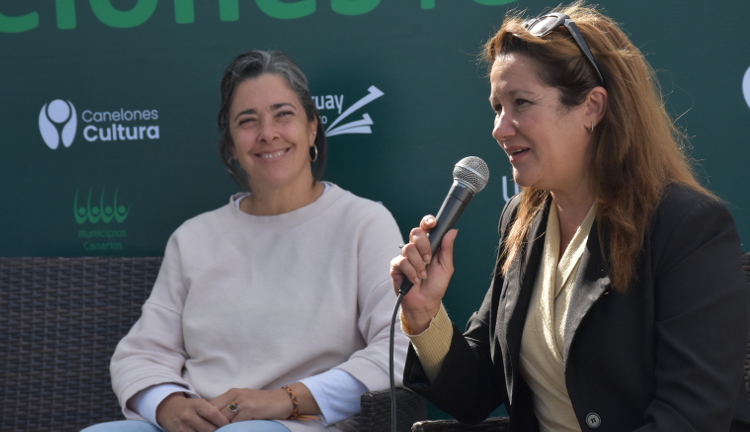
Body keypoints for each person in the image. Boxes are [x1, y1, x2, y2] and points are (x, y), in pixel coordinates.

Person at [390, 2, 750, 431]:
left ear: (592, 108)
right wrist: (425, 315)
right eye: (497, 107)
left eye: (521, 102)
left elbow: (691, 417)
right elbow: (475, 395)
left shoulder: (687, 227)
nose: (500, 128)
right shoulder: (522, 223)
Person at [82, 50, 408, 432]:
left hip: (305, 424)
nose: (267, 133)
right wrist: (168, 405)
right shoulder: (193, 238)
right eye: (247, 121)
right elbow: (139, 354)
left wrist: (284, 400)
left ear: (311, 128)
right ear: (232, 144)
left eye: (283, 114)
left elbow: (397, 351)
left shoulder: (363, 223)